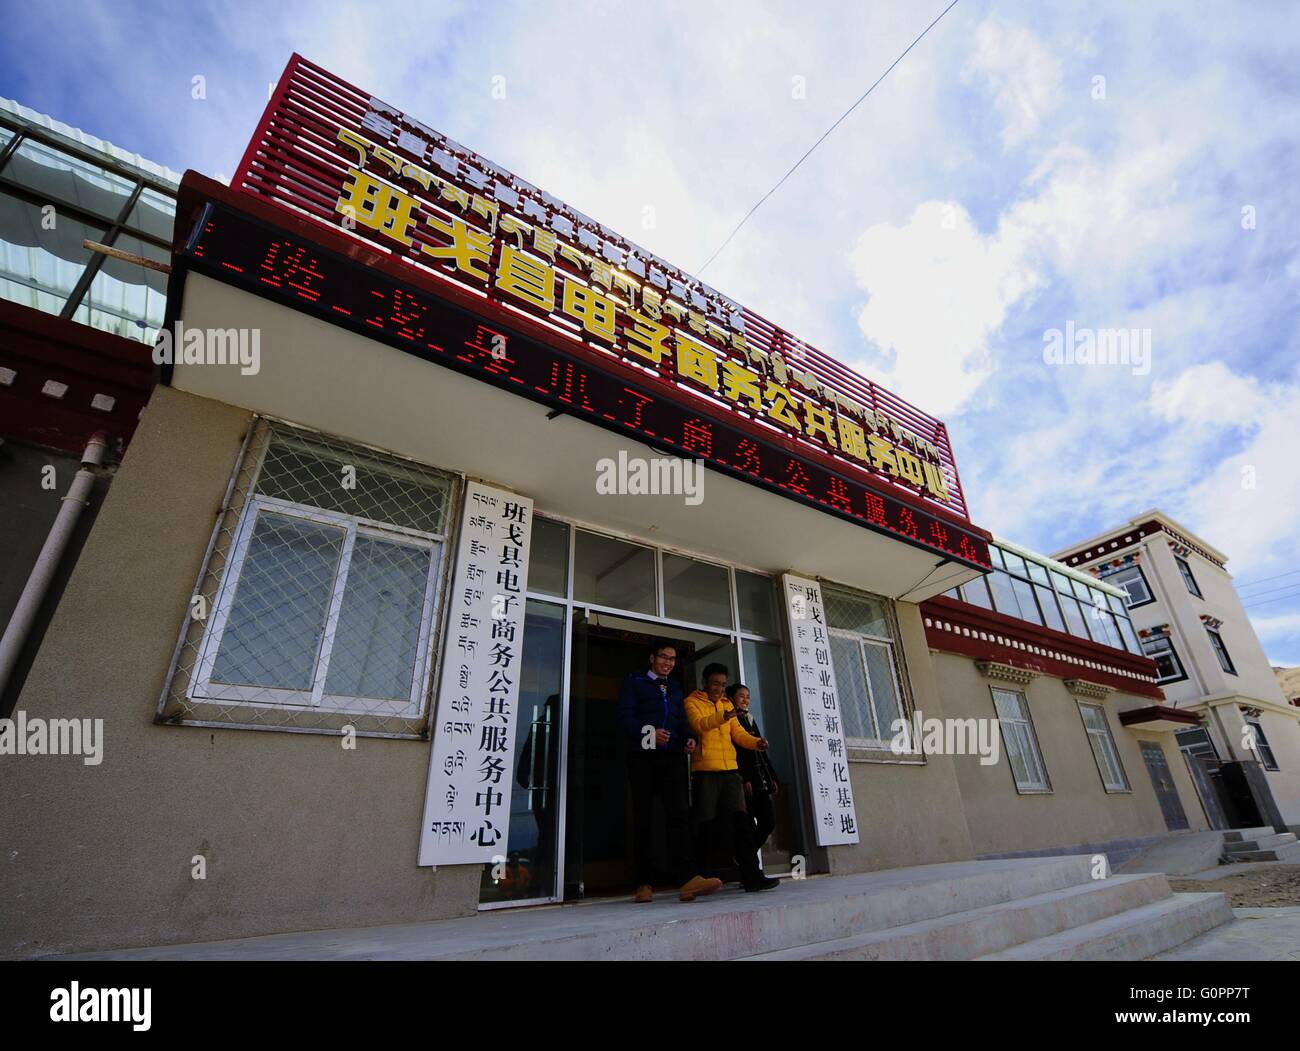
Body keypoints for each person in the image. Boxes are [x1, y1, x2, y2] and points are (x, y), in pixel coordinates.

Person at [616, 640, 723, 904]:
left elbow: (680, 720)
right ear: (652, 658)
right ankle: (643, 882)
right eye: (663, 657)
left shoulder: (674, 687)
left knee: (679, 816)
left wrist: (689, 738)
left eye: (672, 659)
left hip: (672, 758)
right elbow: (624, 718)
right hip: (643, 757)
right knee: (644, 817)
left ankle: (687, 879)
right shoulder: (635, 682)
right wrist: (650, 732)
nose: (668, 663)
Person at [684, 663, 780, 892]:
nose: (719, 688)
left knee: (744, 824)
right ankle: (699, 877)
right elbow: (699, 725)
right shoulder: (692, 702)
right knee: (705, 826)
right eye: (715, 683)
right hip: (705, 772)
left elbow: (738, 733)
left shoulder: (727, 704)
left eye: (723, 684)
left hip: (730, 773)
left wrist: (757, 743)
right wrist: (722, 716)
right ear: (705, 682)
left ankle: (752, 877)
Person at [727, 683, 781, 853]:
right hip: (745, 781)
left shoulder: (749, 718)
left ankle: (743, 855)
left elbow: (760, 751)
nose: (745, 700)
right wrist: (744, 777)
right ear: (731, 699)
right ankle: (746, 861)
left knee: (768, 822)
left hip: (760, 779)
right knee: (747, 824)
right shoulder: (730, 720)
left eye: (748, 696)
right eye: (741, 696)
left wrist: (772, 776)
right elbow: (736, 752)